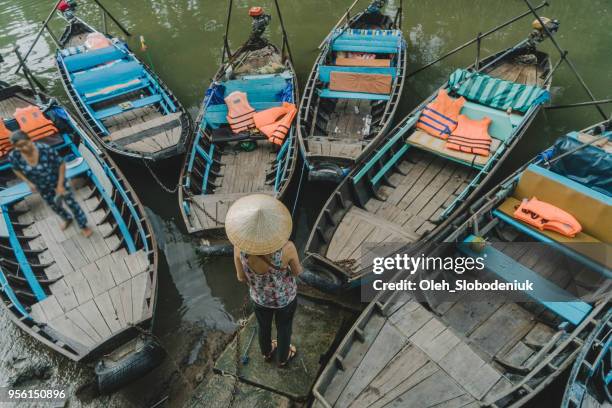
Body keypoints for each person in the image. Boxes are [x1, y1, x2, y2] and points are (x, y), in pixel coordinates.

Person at [226, 194, 303, 367]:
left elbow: (240, 277)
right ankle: (283, 359)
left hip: (260, 299)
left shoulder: (239, 250)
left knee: (263, 327)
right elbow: (297, 272)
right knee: (284, 328)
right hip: (285, 300)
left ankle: (266, 353)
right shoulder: (287, 248)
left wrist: (257, 280)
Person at [9, 130, 92, 237]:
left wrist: (60, 186)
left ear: (29, 140)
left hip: (58, 180)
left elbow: (61, 165)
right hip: (42, 186)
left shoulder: (44, 149)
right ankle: (67, 218)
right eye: (19, 147)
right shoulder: (15, 155)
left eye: (25, 144)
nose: (23, 148)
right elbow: (16, 169)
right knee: (54, 205)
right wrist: (29, 182)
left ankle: (83, 225)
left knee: (71, 203)